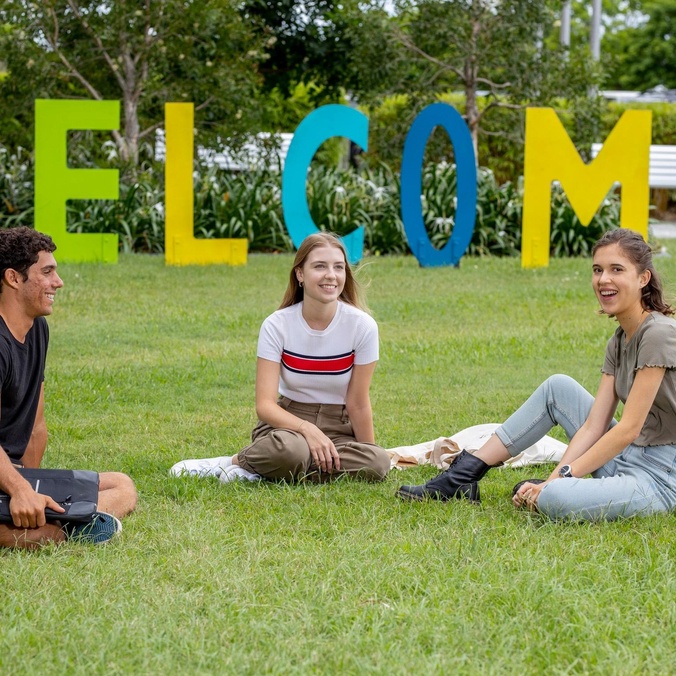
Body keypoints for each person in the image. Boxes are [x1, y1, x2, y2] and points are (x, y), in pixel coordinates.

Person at [398, 228, 676, 521]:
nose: (603, 279)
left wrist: (556, 483)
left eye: (616, 269)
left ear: (643, 278)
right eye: (598, 270)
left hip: (659, 477)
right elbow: (594, 426)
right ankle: (461, 477)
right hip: (624, 457)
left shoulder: (658, 333)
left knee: (554, 499)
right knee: (558, 388)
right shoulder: (618, 340)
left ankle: (560, 491)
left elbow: (628, 428)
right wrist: (557, 476)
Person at [171, 232, 390, 484]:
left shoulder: (362, 326)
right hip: (287, 427)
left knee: (378, 462)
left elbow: (358, 402)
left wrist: (370, 455)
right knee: (291, 450)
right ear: (300, 274)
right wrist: (307, 429)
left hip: (338, 429)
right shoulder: (277, 325)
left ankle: (264, 472)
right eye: (320, 266)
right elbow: (265, 405)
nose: (331, 275)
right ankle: (231, 462)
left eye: (338, 267)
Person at [0, 227, 137, 548]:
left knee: (121, 485)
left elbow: (36, 425)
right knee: (43, 533)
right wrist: (20, 491)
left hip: (9, 475)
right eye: (47, 272)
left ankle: (61, 523)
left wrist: (33, 489)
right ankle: (65, 527)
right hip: (7, 478)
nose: (58, 282)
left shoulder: (37, 330)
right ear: (13, 278)